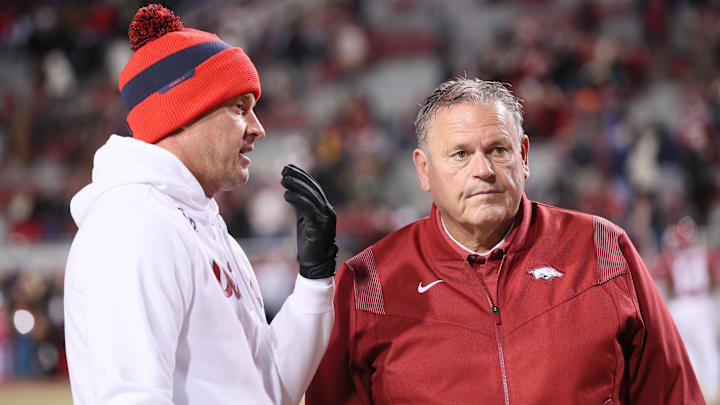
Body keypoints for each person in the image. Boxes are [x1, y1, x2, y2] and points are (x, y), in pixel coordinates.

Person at [306, 77, 704, 404]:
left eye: (498, 149)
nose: (483, 170)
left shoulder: (601, 248)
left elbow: (672, 393)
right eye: (460, 154)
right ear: (423, 170)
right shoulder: (369, 282)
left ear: (524, 156)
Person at [64, 5, 337, 405]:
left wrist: (314, 281)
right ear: (183, 113)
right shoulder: (134, 222)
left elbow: (267, 389)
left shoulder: (195, 221)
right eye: (240, 108)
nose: (258, 128)